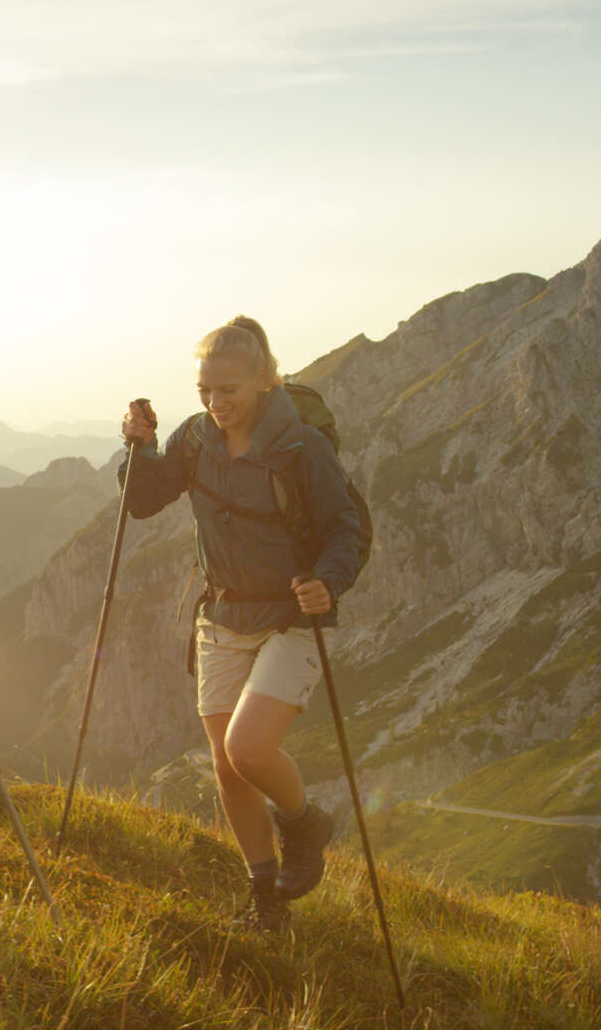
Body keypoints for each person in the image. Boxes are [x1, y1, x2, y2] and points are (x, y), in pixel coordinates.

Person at [119, 316, 362, 931]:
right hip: (222, 614)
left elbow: (346, 530)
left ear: (263, 380)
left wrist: (326, 582)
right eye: (205, 389)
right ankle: (266, 901)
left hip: (290, 617)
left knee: (248, 748)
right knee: (228, 768)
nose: (214, 402)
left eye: (227, 389)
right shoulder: (196, 439)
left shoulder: (302, 446)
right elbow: (144, 500)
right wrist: (139, 449)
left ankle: (306, 822)